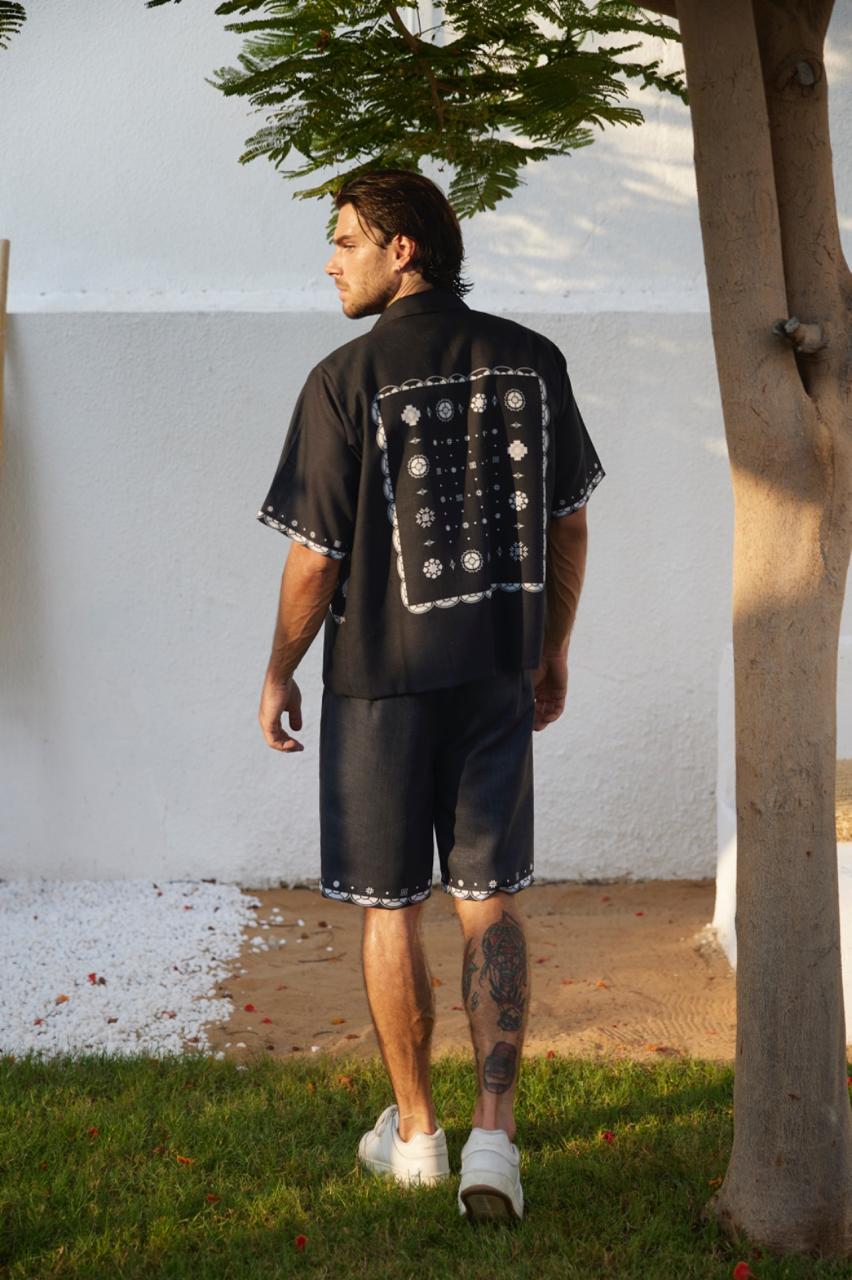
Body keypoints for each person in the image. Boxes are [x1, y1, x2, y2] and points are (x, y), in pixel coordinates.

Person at [256, 170, 604, 1222]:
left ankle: (415, 1133)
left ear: (403, 250)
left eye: (346, 239)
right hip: (495, 669)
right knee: (487, 895)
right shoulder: (533, 363)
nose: (332, 260)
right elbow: (570, 523)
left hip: (378, 684)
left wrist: (276, 667)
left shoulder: (342, 378)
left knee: (389, 904)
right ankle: (493, 1143)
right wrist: (550, 650)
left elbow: (316, 561)